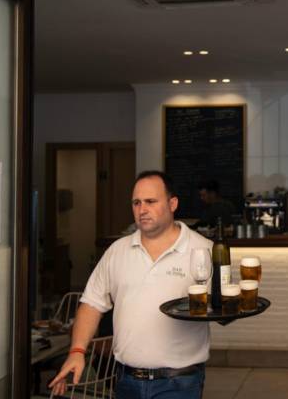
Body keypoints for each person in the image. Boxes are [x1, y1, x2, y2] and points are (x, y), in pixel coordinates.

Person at [49, 170, 212, 399]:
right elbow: (91, 304)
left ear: (172, 203)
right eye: (136, 203)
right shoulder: (117, 251)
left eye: (150, 202)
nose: (142, 210)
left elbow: (223, 307)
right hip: (126, 380)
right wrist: (77, 351)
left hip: (178, 383)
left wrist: (244, 295)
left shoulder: (203, 249)